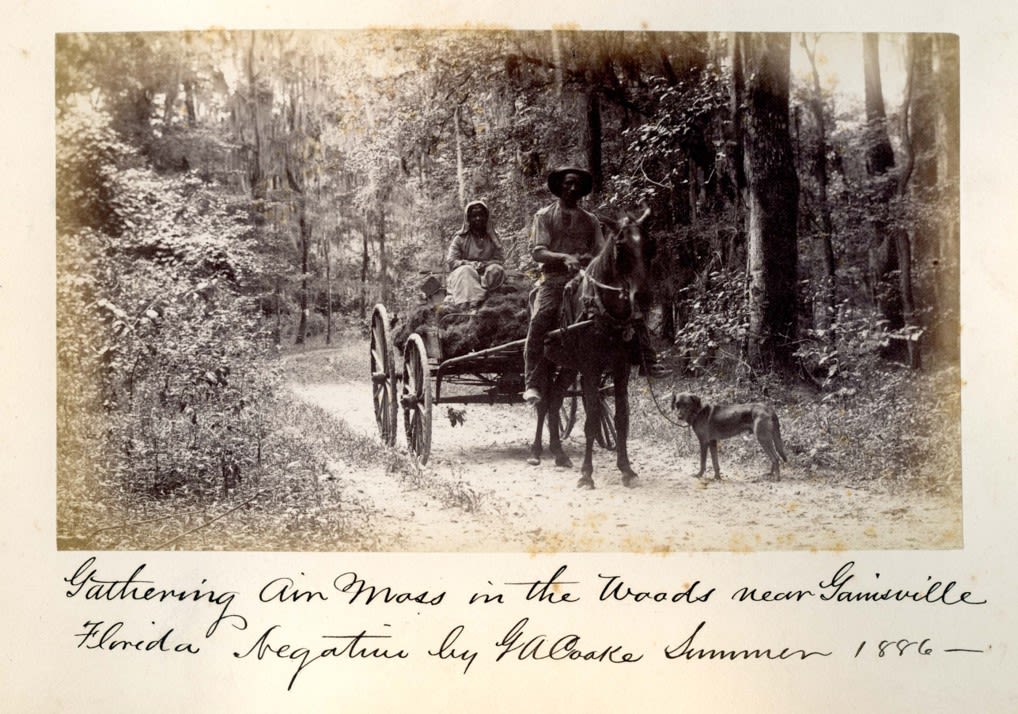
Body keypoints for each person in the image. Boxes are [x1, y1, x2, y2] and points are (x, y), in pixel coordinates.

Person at [522, 166, 605, 405]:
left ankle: (642, 359)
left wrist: (590, 260)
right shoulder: (544, 216)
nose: (572, 188)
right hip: (554, 280)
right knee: (542, 319)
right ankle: (532, 383)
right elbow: (538, 252)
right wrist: (563, 257)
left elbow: (601, 251)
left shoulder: (591, 220)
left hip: (585, 279)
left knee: (619, 308)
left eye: (576, 185)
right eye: (568, 183)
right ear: (559, 187)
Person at [444, 200, 505, 308]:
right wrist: (470, 264)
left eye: (481, 215)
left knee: (496, 269)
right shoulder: (460, 238)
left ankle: (490, 300)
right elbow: (451, 261)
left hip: (486, 275)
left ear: (486, 217)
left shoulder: (493, 237)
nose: (478, 219)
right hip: (466, 275)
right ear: (468, 219)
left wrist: (485, 264)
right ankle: (470, 304)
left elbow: (500, 259)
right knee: (466, 271)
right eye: (474, 216)